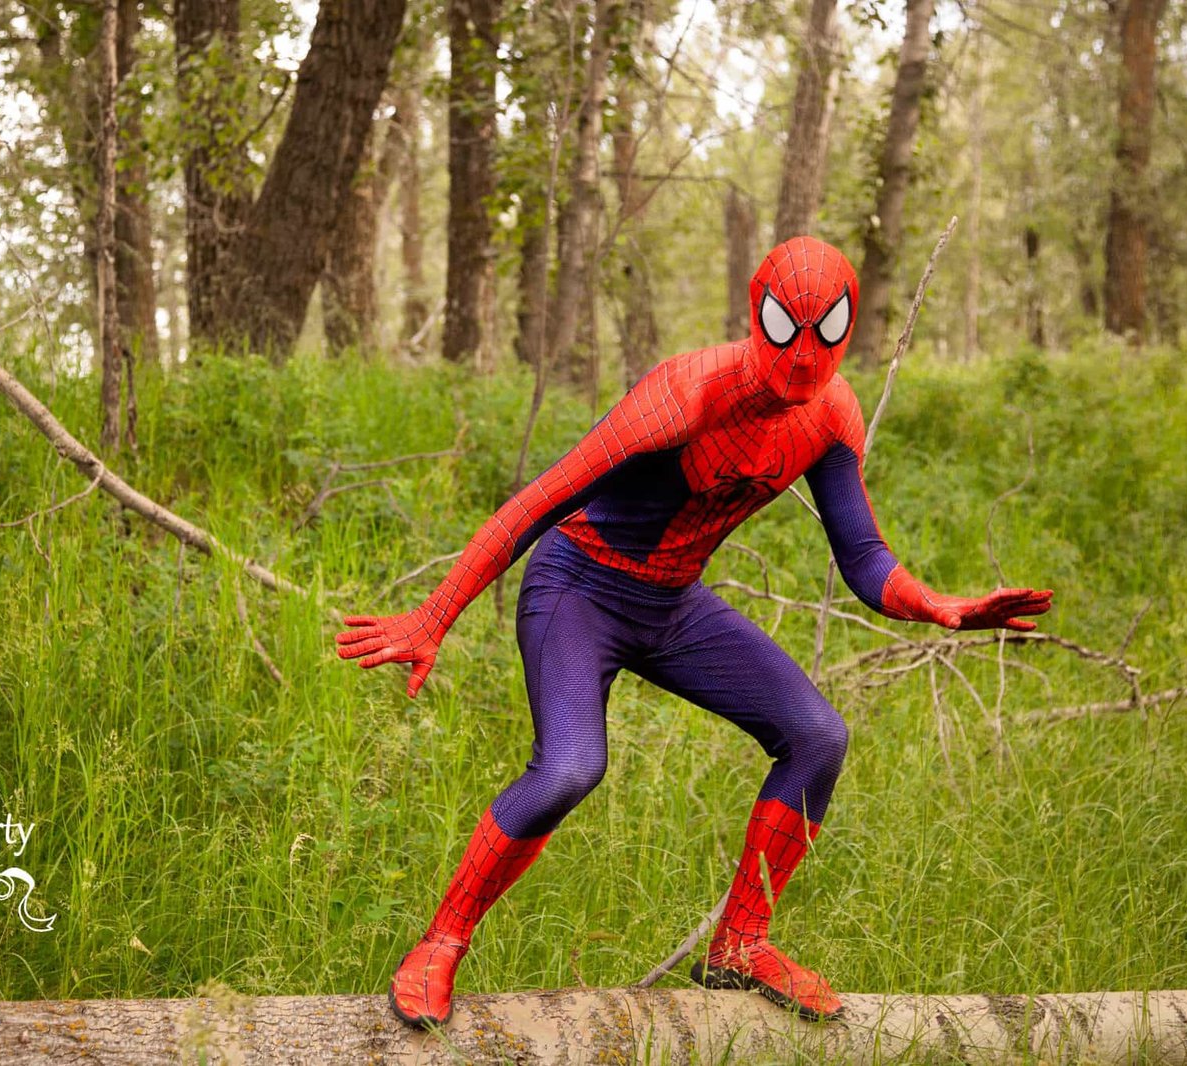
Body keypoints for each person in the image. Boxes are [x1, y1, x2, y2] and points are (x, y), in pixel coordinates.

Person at [337, 236, 1053, 1028]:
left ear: (850, 331)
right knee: (572, 766)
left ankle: (740, 944)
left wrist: (940, 606)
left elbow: (862, 555)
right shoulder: (684, 394)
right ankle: (440, 943)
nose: (805, 354)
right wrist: (432, 618)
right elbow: (535, 503)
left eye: (827, 330)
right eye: (787, 327)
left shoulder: (832, 416)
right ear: (757, 316)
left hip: (672, 604)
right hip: (578, 587)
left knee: (818, 735)